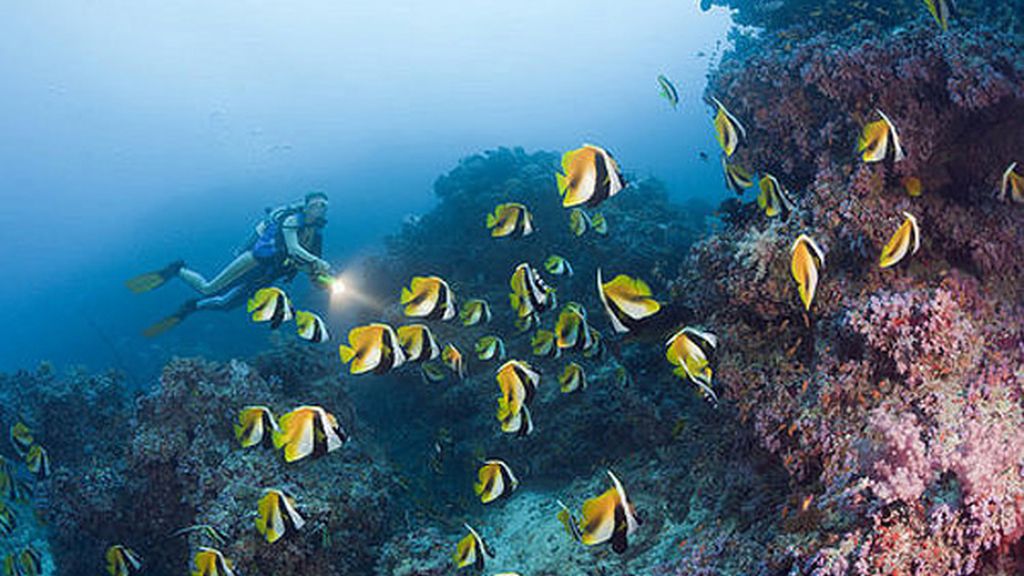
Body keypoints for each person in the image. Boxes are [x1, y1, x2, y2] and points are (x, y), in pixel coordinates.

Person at [126, 192, 333, 337]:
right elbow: (293, 248)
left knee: (227, 305)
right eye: (316, 204)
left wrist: (321, 278)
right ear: (306, 206)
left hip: (268, 276)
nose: (320, 208)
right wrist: (318, 262)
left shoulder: (317, 238)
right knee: (209, 288)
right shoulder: (292, 221)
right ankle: (177, 269)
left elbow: (305, 266)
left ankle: (191, 307)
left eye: (324, 206)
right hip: (254, 261)